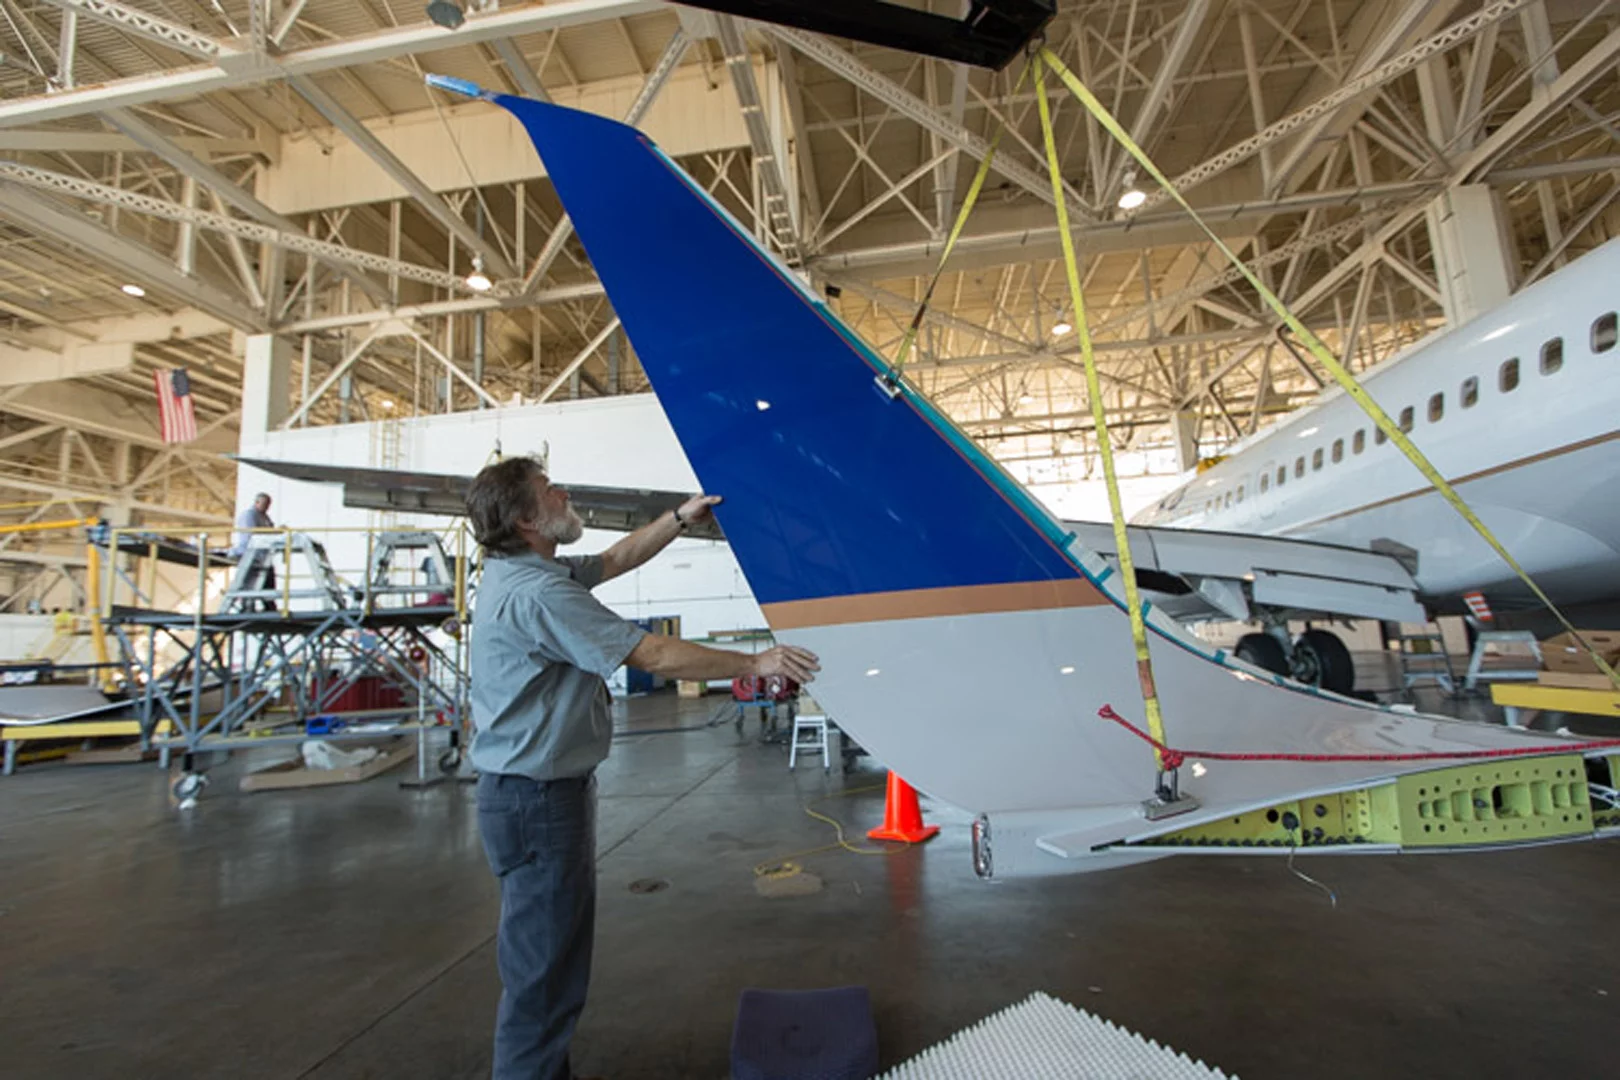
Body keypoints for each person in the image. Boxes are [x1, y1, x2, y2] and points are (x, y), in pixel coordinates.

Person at [464, 455, 818, 1080]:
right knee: (544, 974)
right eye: (551, 491)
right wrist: (755, 662)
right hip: (537, 801)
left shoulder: (521, 569)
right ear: (525, 518)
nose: (565, 492)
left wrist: (679, 518)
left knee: (548, 963)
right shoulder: (542, 593)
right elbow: (653, 653)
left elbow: (615, 560)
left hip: (533, 795)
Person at [230, 492, 276, 609]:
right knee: (250, 583)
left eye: (268, 505)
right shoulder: (249, 515)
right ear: (257, 502)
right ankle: (247, 607)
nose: (266, 507)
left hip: (263, 556)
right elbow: (250, 537)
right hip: (251, 555)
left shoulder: (265, 517)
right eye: (264, 504)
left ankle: (269, 607)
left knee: (267, 582)